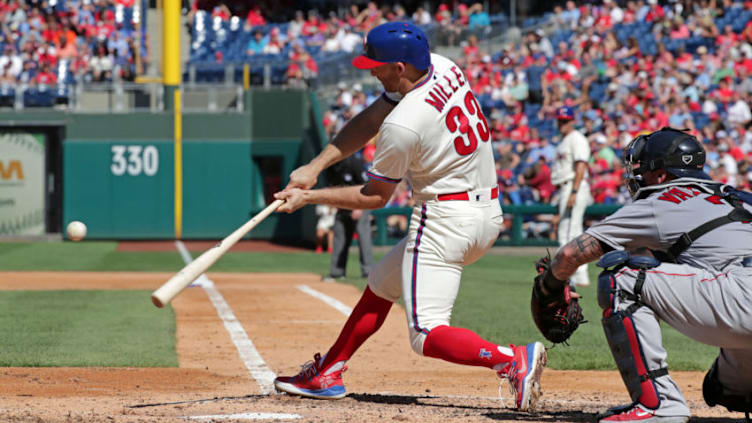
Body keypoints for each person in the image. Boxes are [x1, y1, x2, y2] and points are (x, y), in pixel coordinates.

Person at [272, 22, 546, 411]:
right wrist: (314, 167)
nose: (371, 71)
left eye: (377, 65)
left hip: (444, 219)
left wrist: (309, 196)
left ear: (400, 67)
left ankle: (511, 359)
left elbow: (374, 196)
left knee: (426, 334)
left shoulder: (405, 124)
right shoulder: (442, 65)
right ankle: (328, 371)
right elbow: (369, 119)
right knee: (382, 281)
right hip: (484, 212)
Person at [537, 127, 752, 422]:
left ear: (661, 174)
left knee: (622, 279)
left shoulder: (662, 198)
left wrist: (550, 285)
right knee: (728, 389)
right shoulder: (735, 197)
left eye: (643, 168)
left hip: (743, 297)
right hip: (740, 292)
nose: (638, 176)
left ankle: (659, 406)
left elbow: (571, 254)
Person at [550, 106, 591, 287]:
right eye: (560, 120)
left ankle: (563, 274)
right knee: (573, 232)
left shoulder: (577, 139)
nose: (562, 124)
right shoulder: (564, 140)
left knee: (567, 232)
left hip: (574, 186)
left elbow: (581, 166)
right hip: (566, 187)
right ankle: (580, 275)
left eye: (565, 120)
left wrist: (574, 192)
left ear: (573, 121)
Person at [323, 151, 374, 280]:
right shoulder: (331, 166)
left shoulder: (354, 162)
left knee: (363, 236)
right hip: (343, 205)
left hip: (360, 203)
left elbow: (367, 185)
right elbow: (332, 186)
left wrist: (359, 207)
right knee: (339, 235)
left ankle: (368, 272)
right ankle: (337, 272)